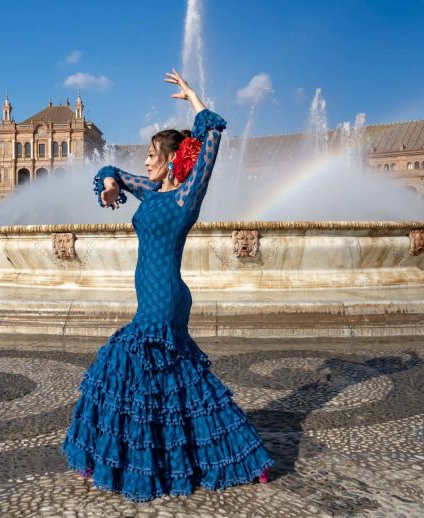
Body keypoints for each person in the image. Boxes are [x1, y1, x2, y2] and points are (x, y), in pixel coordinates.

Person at [62, 70, 272, 501]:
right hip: (160, 295)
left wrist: (194, 97)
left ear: (172, 159)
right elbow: (112, 170)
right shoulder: (154, 193)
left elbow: (212, 134)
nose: (144, 161)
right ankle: (226, 455)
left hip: (162, 299)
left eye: (152, 154)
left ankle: (125, 460)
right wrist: (106, 185)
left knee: (127, 365)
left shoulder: (185, 197)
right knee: (180, 378)